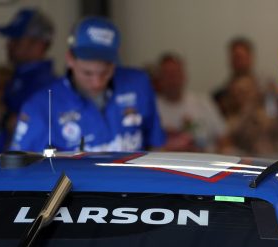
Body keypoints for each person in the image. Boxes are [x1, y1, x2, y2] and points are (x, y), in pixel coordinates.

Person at [10, 16, 164, 152]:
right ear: (70, 59)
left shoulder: (138, 84)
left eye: (105, 72)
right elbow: (20, 172)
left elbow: (156, 147)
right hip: (70, 186)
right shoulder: (41, 105)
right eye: (87, 73)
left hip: (133, 184)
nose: (97, 82)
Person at [0, 8, 56, 153]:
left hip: (22, 171)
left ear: (38, 44)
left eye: (16, 40)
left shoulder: (45, 85)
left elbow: (39, 131)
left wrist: (3, 117)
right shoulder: (17, 77)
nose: (8, 45)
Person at [155, 53, 226, 152]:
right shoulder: (152, 107)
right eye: (168, 74)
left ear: (184, 75)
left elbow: (224, 138)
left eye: (176, 73)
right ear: (159, 78)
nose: (172, 79)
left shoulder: (204, 102)